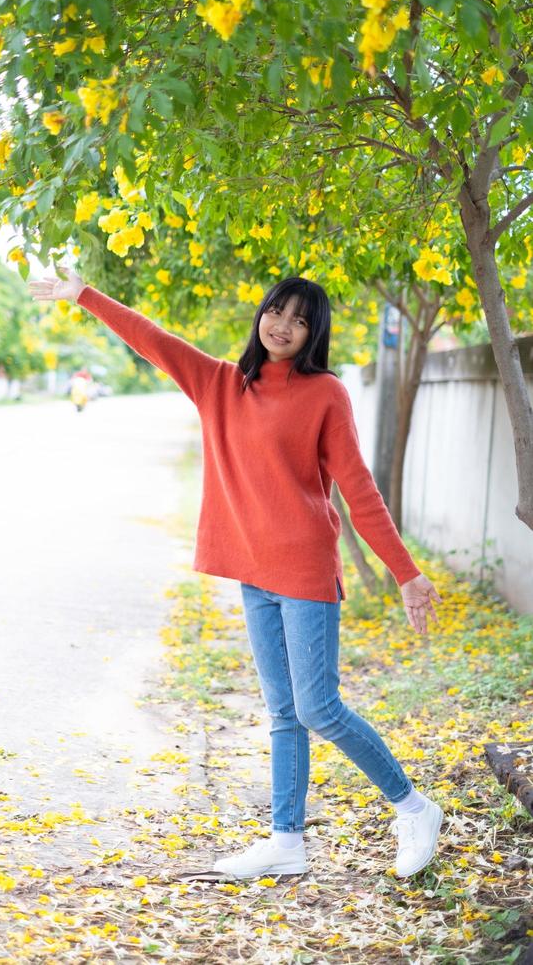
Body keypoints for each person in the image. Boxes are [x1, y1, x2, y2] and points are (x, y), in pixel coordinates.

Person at [28, 265, 444, 881]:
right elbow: (154, 339)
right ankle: (286, 840)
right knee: (282, 711)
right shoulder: (220, 383)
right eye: (278, 311)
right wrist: (84, 295)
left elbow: (357, 489)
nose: (284, 326)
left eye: (301, 321)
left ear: (313, 334)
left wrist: (406, 572)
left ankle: (413, 807)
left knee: (318, 709)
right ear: (262, 314)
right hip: (253, 573)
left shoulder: (326, 393)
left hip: (304, 572)